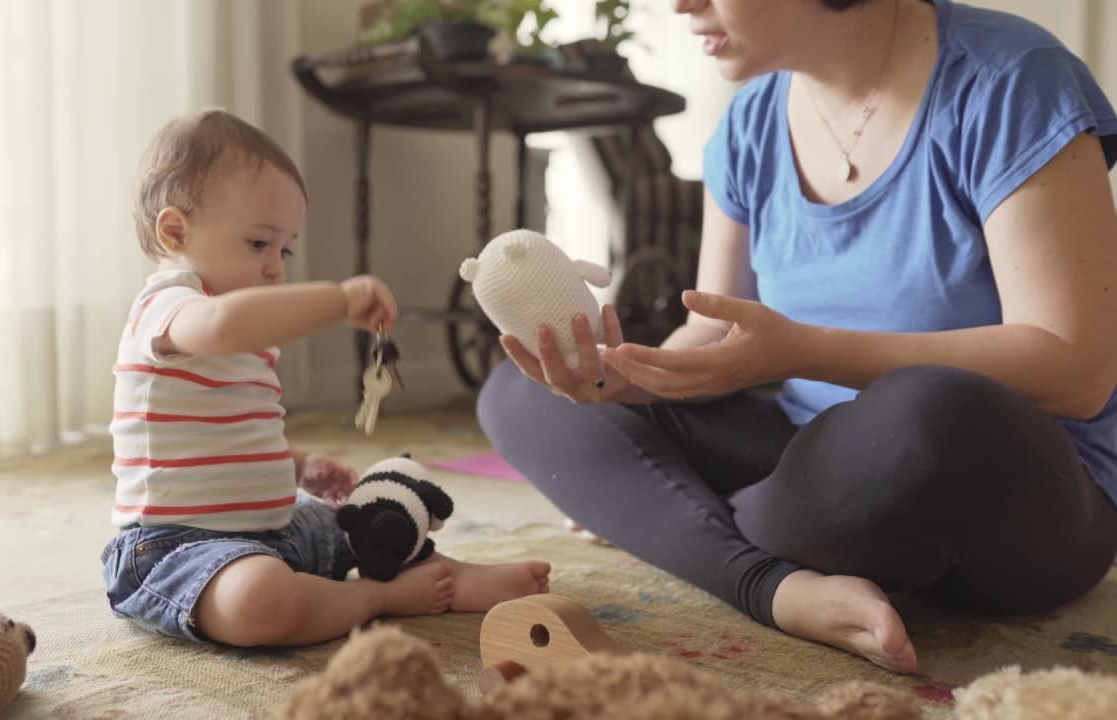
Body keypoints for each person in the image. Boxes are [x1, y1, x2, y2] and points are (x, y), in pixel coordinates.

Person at [478, 0, 1117, 673]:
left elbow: (1076, 372)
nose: (680, 4)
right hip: (812, 468)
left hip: (1005, 493)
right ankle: (775, 587)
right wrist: (626, 376)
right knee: (520, 395)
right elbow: (715, 331)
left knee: (925, 415)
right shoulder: (750, 122)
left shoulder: (1011, 79)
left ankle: (675, 516)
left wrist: (805, 350)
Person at [101, 109, 550, 647]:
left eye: (284, 249)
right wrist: (337, 300)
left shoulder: (241, 343)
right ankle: (378, 600)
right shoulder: (168, 306)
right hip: (177, 550)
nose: (276, 267)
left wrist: (298, 466)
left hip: (275, 531)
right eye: (259, 244)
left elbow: (226, 436)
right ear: (176, 232)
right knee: (259, 602)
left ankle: (451, 578)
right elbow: (222, 325)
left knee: (369, 525)